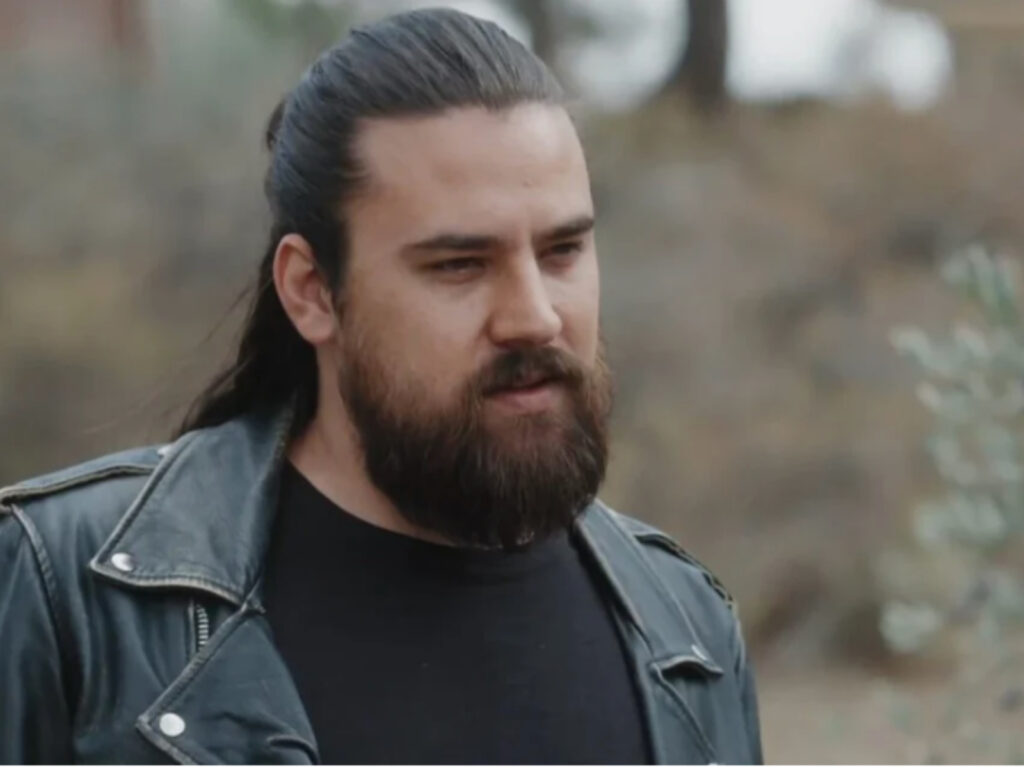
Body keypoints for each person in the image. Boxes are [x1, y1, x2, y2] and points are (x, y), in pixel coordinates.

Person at [0, 8, 762, 765]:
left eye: (562, 251)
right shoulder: (66, 593)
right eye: (459, 265)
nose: (534, 318)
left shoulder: (686, 631)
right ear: (311, 291)